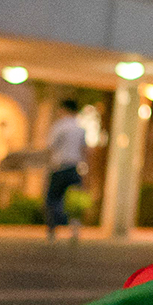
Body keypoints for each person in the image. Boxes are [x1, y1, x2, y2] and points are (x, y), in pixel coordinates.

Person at [44, 100, 89, 241]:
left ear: (64, 109)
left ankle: (52, 229)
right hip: (74, 168)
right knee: (74, 201)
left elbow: (50, 147)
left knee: (53, 198)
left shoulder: (59, 126)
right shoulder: (80, 128)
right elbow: (85, 150)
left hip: (59, 167)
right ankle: (75, 229)